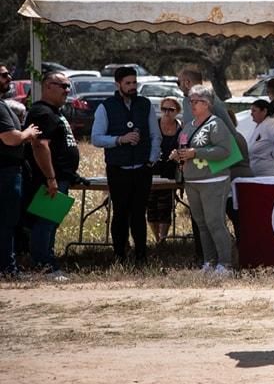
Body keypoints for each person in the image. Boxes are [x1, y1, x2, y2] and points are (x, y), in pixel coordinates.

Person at [91, 65, 161, 264]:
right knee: (120, 213)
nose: (132, 86)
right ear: (118, 84)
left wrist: (152, 159)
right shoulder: (106, 106)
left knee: (139, 214)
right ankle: (120, 255)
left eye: (134, 82)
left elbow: (155, 134)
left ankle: (141, 256)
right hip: (118, 168)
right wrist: (119, 140)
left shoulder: (145, 104)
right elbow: (96, 138)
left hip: (142, 168)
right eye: (128, 83)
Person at [169, 84, 235, 276]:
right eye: (191, 101)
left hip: (214, 180)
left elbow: (225, 151)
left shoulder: (216, 124)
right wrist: (178, 154)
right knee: (201, 223)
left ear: (206, 103)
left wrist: (196, 152)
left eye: (196, 101)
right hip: (193, 181)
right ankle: (209, 261)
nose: (192, 105)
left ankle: (226, 263)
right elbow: (184, 146)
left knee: (215, 222)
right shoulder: (189, 126)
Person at [24, 71, 78, 281]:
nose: (67, 90)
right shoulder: (41, 112)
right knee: (44, 223)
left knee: (51, 222)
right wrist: (51, 178)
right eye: (62, 86)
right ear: (47, 86)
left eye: (68, 86)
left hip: (60, 177)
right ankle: (44, 266)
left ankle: (48, 261)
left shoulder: (55, 112)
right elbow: (40, 146)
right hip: (47, 179)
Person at [0, 64, 40, 278]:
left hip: (9, 171)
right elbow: (11, 138)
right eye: (4, 75)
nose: (9, 77)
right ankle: (8, 269)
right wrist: (28, 132)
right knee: (7, 221)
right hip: (5, 172)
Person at [147, 96, 181, 244]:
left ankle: (163, 238)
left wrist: (178, 154)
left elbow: (185, 147)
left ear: (177, 111)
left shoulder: (181, 128)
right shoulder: (153, 126)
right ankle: (157, 238)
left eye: (171, 109)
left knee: (166, 207)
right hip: (152, 171)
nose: (167, 113)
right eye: (164, 109)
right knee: (151, 207)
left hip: (170, 173)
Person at [247, 99, 274, 177]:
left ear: (264, 111)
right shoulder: (261, 125)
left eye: (254, 111)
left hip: (269, 173)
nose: (251, 114)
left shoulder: (269, 124)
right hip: (259, 173)